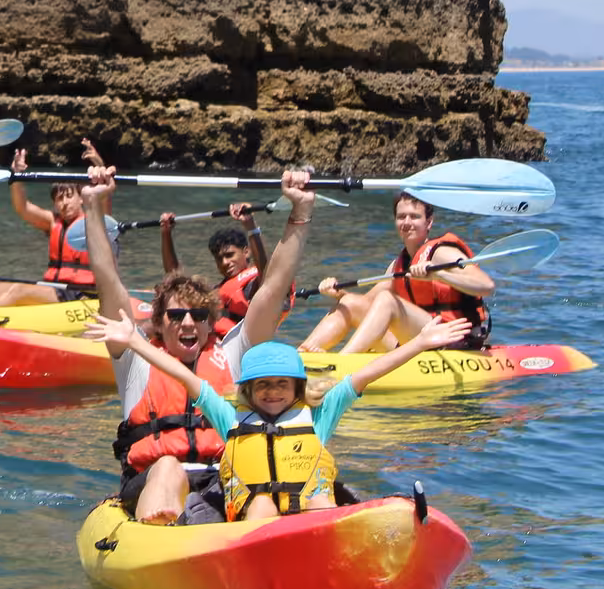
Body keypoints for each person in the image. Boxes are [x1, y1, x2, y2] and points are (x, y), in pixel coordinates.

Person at [80, 164, 320, 524]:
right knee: (167, 468)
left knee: (263, 494)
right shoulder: (136, 358)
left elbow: (272, 290)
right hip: (153, 480)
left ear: (210, 323)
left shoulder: (233, 353)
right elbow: (107, 279)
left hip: (221, 480)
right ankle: (163, 544)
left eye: (198, 315)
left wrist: (299, 213)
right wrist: (92, 207)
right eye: (177, 317)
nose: (189, 323)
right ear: (160, 323)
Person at [89, 316, 472, 520]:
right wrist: (137, 342)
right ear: (249, 391)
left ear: (297, 387)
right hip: (258, 526)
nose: (273, 391)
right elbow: (188, 379)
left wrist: (419, 343)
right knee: (260, 506)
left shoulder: (319, 416)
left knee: (321, 500)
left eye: (282, 384)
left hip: (311, 516)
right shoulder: (231, 419)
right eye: (263, 385)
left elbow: (365, 374)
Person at [299, 192, 494, 354]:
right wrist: (338, 294)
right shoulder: (398, 265)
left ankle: (341, 364)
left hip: (453, 340)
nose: (406, 222)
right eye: (401, 217)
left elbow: (486, 286)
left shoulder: (442, 253)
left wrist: (439, 275)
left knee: (387, 299)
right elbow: (366, 305)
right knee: (349, 303)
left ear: (429, 222)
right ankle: (303, 354)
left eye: (414, 216)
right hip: (419, 339)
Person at [0, 141, 103, 308]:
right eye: (59, 199)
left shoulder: (95, 223)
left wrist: (99, 164)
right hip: (55, 288)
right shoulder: (53, 222)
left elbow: (105, 196)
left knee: (19, 290)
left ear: (81, 197)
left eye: (68, 196)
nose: (64, 203)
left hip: (79, 294)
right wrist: (16, 176)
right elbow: (22, 208)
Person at [158, 204, 274, 337]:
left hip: (243, 347)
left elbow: (267, 273)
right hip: (212, 345)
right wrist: (166, 233)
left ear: (246, 252)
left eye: (230, 255)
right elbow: (176, 280)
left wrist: (251, 226)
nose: (225, 262)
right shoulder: (216, 291)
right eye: (219, 258)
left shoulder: (255, 284)